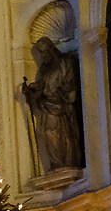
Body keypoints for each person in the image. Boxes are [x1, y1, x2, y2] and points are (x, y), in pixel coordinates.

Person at [21, 36, 84, 173]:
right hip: (47, 106)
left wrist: (62, 93)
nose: (42, 56)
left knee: (63, 134)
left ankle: (67, 162)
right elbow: (42, 86)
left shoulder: (64, 62)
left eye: (44, 52)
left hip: (61, 106)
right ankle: (57, 164)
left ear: (51, 49)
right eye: (40, 53)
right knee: (47, 133)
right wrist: (31, 90)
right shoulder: (43, 68)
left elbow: (70, 85)